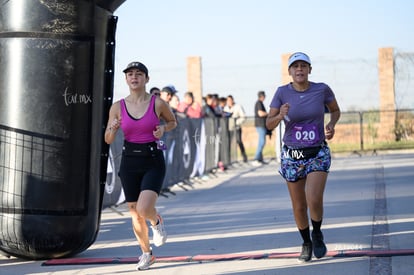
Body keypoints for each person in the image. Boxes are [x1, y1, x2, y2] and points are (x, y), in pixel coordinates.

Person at [266, 52, 341, 262]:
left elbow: (335, 110)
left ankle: (317, 233)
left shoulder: (321, 89)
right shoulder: (282, 93)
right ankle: (306, 242)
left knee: (314, 199)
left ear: (310, 69)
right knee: (299, 205)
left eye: (303, 66)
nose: (299, 69)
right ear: (289, 71)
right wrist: (280, 115)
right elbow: (268, 124)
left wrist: (331, 125)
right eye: (295, 66)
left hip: (317, 151)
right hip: (292, 154)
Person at [104, 61, 177, 270]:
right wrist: (113, 128)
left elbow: (172, 122)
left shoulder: (157, 103)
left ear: (147, 79)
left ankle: (156, 222)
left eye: (138, 74)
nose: (134, 77)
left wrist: (163, 129)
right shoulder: (118, 106)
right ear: (126, 79)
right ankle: (147, 254)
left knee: (145, 208)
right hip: (129, 161)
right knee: (135, 213)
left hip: (153, 159)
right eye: (130, 74)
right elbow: (108, 138)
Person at [224, 95, 248, 162]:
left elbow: (243, 116)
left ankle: (244, 156)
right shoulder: (225, 108)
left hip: (236, 127)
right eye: (228, 100)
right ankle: (227, 158)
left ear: (233, 100)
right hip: (228, 128)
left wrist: (236, 122)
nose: (229, 102)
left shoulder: (238, 107)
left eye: (230, 100)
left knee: (239, 141)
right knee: (228, 142)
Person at [253, 90, 268, 166]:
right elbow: (260, 113)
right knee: (261, 142)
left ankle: (260, 159)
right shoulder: (259, 103)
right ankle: (256, 159)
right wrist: (268, 114)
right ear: (262, 96)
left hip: (262, 125)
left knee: (262, 142)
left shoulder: (260, 103)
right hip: (260, 125)